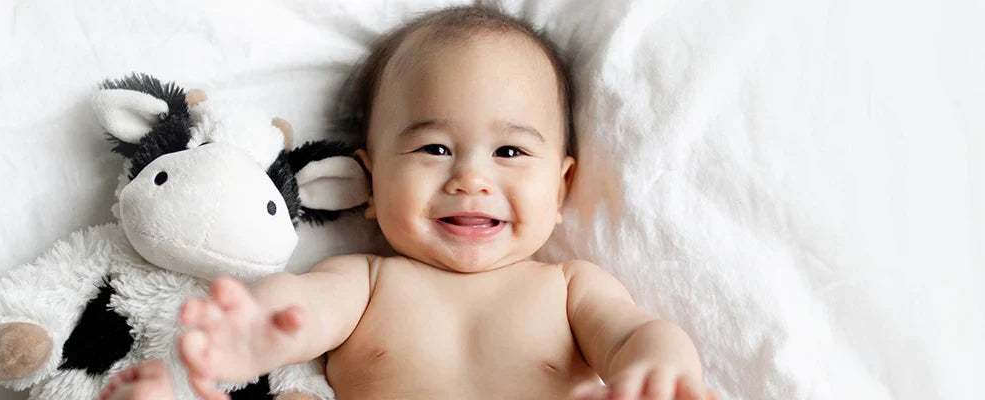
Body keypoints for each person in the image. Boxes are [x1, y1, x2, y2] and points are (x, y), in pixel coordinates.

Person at [102, 6, 716, 400]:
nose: (471, 179)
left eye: (509, 153)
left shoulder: (569, 288)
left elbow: (637, 335)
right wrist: (255, 332)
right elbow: (302, 310)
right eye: (434, 148)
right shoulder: (365, 281)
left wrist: (659, 371)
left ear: (560, 189)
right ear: (370, 183)